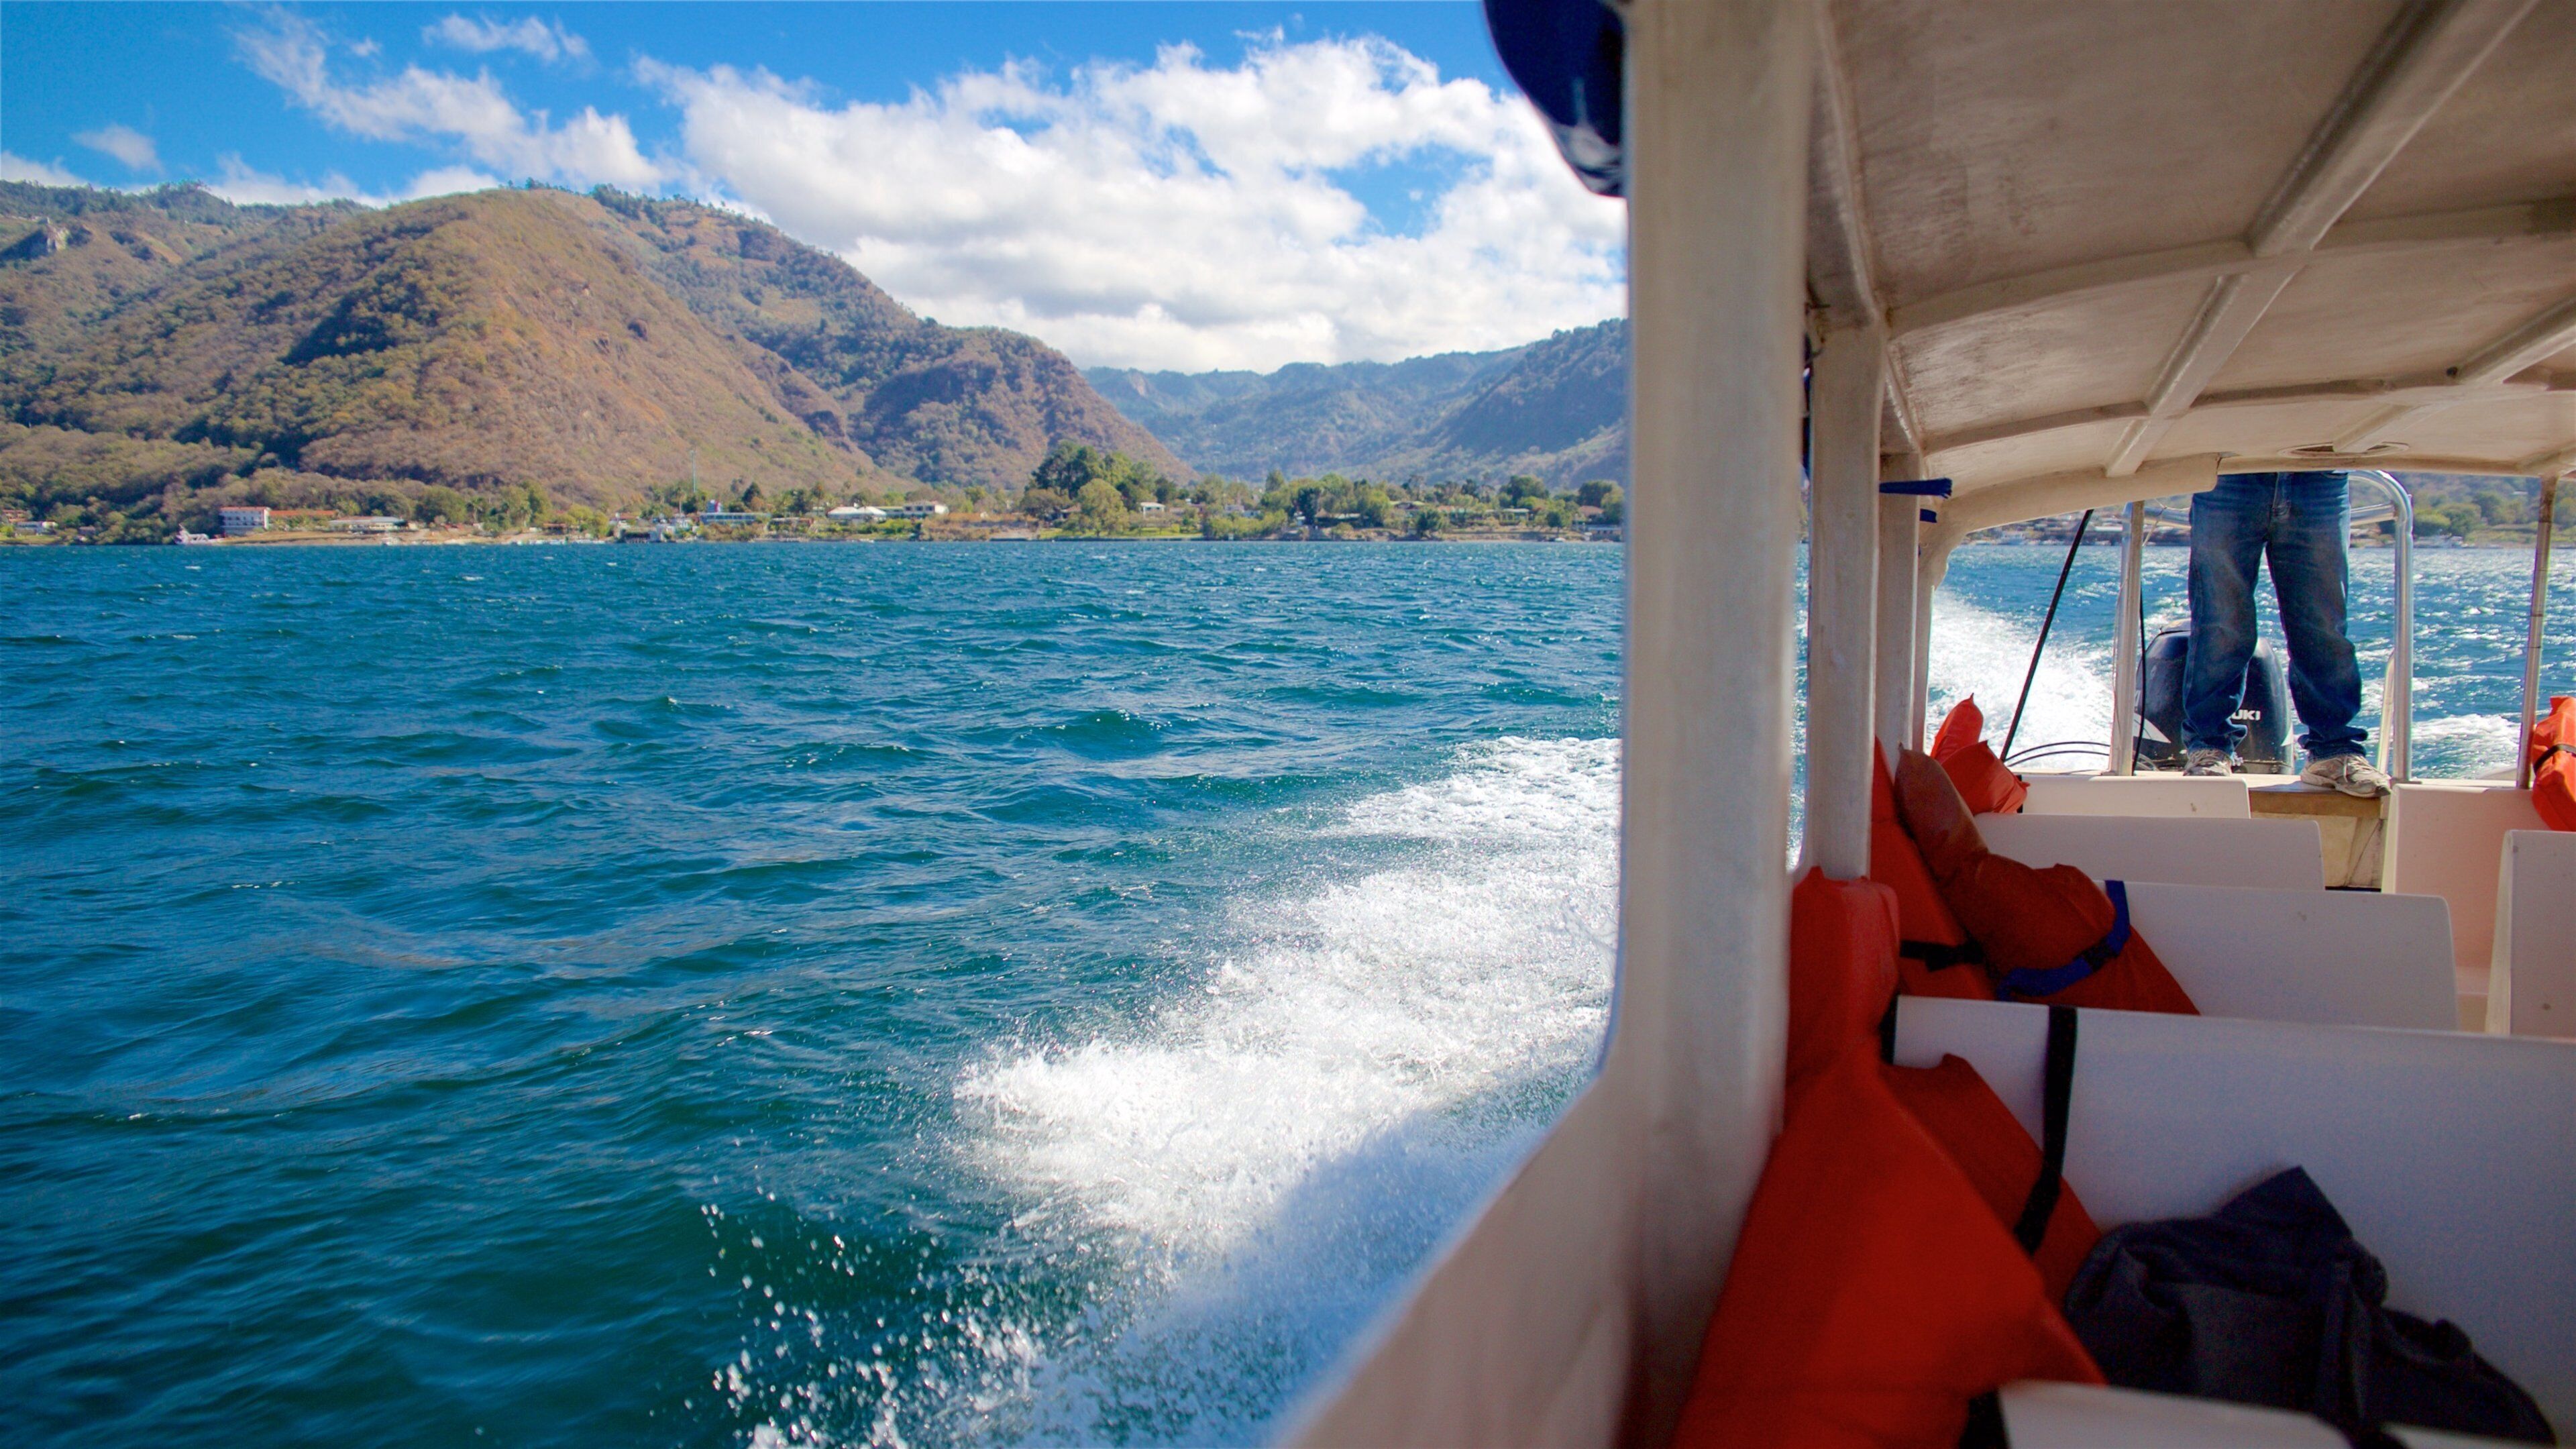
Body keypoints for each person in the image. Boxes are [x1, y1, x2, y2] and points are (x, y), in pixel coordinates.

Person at [2181, 470, 2391, 796]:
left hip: (2320, 473)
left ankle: (2333, 751)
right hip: (2229, 470)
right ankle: (2209, 748)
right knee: (2221, 623)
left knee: (2322, 626)